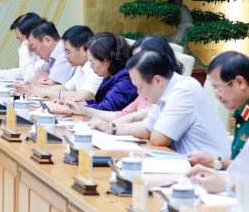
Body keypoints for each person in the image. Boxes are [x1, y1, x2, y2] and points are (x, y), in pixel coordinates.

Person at [93, 49, 229, 156]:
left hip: (213, 170)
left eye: (140, 87)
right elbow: (147, 127)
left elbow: (158, 138)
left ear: (157, 80)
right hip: (188, 166)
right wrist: (111, 128)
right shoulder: (164, 92)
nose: (139, 93)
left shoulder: (184, 90)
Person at [83, 35, 179, 126]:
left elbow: (152, 132)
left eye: (139, 59)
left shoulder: (177, 90)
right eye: (134, 59)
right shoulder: (143, 90)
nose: (134, 65)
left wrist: (131, 118)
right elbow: (122, 115)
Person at [182, 51, 248, 174]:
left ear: (240, 82)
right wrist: (215, 162)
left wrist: (215, 162)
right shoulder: (241, 113)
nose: (217, 96)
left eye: (219, 88)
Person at [62, 32, 137, 114]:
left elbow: (107, 108)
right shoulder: (110, 74)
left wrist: (78, 108)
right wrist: (83, 103)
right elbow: (100, 102)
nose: (91, 67)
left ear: (107, 61)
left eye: (92, 62)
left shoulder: (126, 79)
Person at [28, 25, 100, 104]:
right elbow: (64, 88)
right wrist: (37, 89)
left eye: (68, 51)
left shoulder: (95, 69)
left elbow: (80, 96)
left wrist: (45, 91)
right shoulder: (80, 68)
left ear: (83, 49)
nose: (66, 56)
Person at [0, 12, 42, 80]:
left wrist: (23, 47)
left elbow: (29, 78)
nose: (20, 43)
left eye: (20, 39)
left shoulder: (45, 56)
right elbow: (22, 72)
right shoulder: (37, 55)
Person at [17, 20, 73, 89]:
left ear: (48, 40)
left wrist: (36, 85)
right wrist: (37, 84)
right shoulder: (50, 57)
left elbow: (48, 87)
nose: (35, 53)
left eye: (34, 47)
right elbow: (32, 80)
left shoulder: (64, 53)